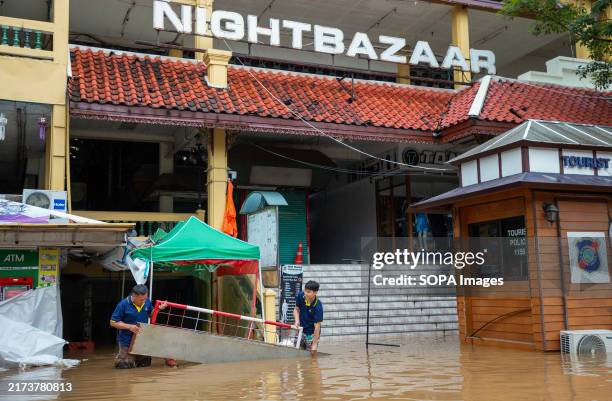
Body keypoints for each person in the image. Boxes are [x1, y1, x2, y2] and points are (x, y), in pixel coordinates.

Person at [110, 284, 176, 369]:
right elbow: (113, 322)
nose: (144, 301)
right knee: (123, 365)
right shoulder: (123, 305)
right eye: (141, 300)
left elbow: (150, 315)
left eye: (145, 299)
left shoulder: (146, 301)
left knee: (144, 364)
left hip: (142, 339)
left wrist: (158, 309)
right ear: (133, 296)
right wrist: (130, 327)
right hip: (126, 340)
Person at [293, 280, 323, 355]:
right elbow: (296, 309)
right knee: (295, 352)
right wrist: (297, 320)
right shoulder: (301, 296)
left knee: (310, 357)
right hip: (300, 330)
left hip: (311, 334)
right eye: (305, 291)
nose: (305, 294)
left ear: (315, 292)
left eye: (308, 292)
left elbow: (317, 327)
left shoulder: (318, 306)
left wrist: (314, 344)